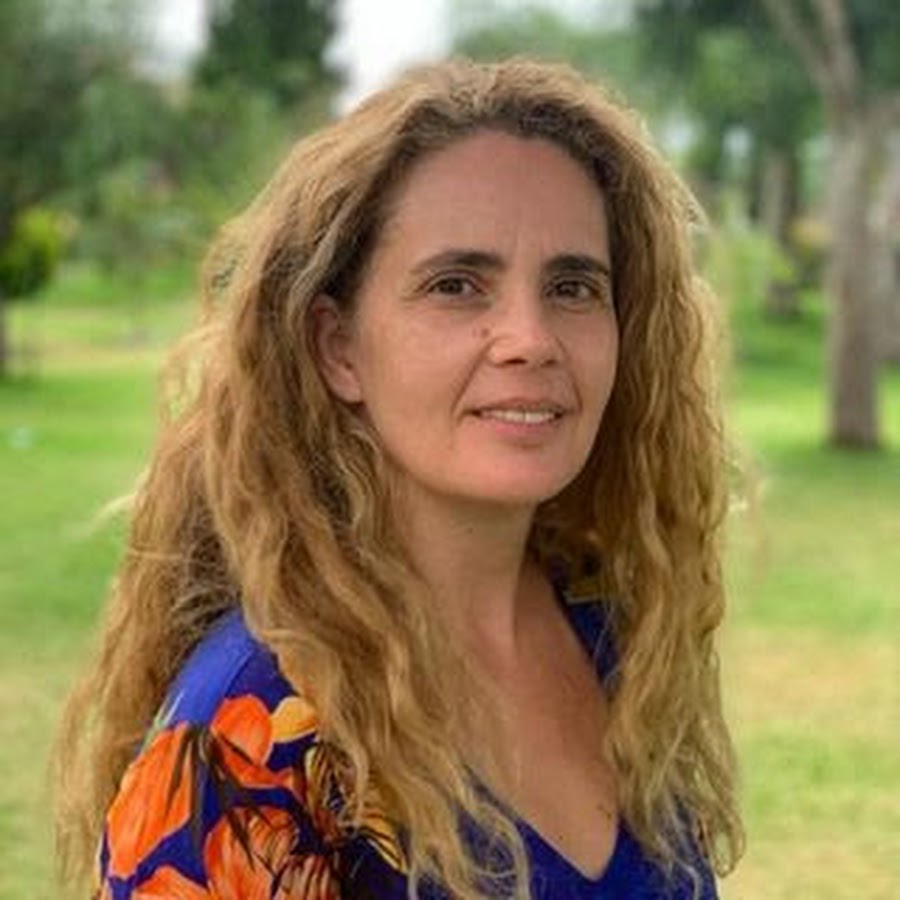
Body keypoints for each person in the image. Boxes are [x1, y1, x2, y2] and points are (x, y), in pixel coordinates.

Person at [55, 58, 744, 899]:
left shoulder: (615, 629)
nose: (531, 338)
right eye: (457, 285)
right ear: (339, 348)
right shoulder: (248, 734)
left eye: (573, 286)